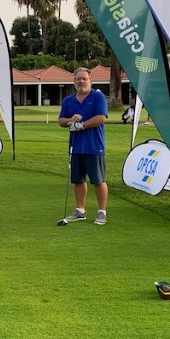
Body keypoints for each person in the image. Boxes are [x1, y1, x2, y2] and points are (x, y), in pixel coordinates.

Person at [58, 67, 109, 225]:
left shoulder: (97, 97)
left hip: (94, 146)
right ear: (74, 82)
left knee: (98, 180)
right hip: (76, 147)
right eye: (78, 79)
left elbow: (101, 117)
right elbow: (61, 121)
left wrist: (82, 125)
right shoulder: (68, 101)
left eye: (84, 79)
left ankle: (102, 212)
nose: (81, 81)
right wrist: (70, 120)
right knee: (78, 180)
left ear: (90, 81)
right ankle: (80, 211)